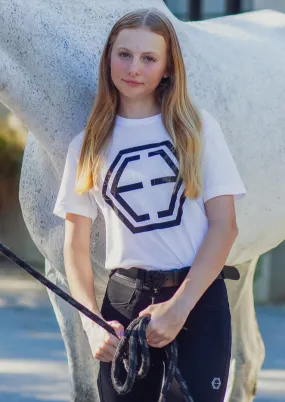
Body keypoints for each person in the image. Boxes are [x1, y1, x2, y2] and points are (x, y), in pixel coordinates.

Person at [53, 7, 246, 402]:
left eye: (148, 58)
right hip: (123, 306)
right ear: (108, 57)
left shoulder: (197, 129)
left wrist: (179, 308)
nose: (134, 68)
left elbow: (224, 226)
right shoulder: (87, 145)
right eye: (124, 54)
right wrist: (92, 324)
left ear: (168, 68)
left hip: (197, 301)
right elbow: (73, 246)